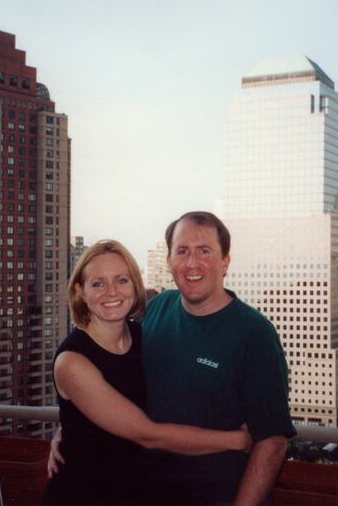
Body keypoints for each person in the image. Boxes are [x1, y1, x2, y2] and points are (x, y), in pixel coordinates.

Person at [43, 239, 252, 506]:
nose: (111, 292)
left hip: (137, 492)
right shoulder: (73, 362)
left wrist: (67, 427)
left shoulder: (144, 337)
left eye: (121, 280)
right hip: (84, 495)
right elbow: (148, 434)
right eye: (97, 283)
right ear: (79, 290)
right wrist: (238, 440)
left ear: (135, 285)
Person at [138, 211, 295, 506]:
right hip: (148, 492)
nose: (192, 263)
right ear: (169, 261)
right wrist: (71, 429)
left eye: (204, 251)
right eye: (182, 251)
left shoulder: (254, 333)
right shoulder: (156, 309)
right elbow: (109, 372)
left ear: (225, 262)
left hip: (219, 496)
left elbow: (272, 442)